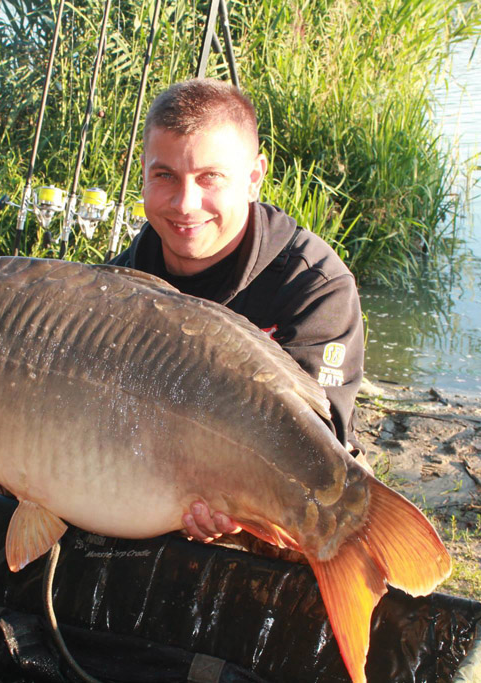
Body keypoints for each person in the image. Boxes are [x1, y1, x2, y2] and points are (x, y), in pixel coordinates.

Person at [109, 78, 366, 544]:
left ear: (253, 178)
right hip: (141, 489)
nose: (186, 204)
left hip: (274, 500)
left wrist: (240, 512)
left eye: (210, 177)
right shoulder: (114, 290)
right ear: (142, 175)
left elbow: (320, 446)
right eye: (164, 175)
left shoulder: (314, 286)